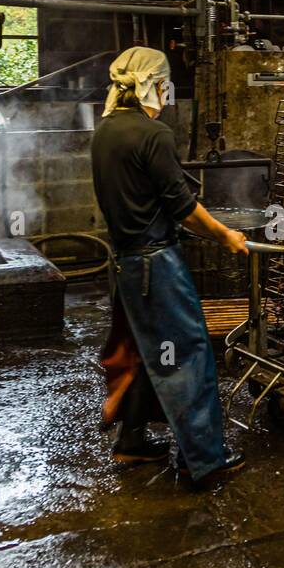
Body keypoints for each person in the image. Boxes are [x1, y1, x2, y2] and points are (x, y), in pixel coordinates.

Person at [92, 46, 249, 485]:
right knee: (189, 357)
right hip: (155, 263)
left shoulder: (104, 130)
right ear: (155, 84)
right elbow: (183, 208)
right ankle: (205, 463)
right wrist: (226, 235)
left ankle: (133, 443)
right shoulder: (153, 133)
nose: (167, 90)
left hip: (123, 262)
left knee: (145, 351)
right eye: (165, 83)